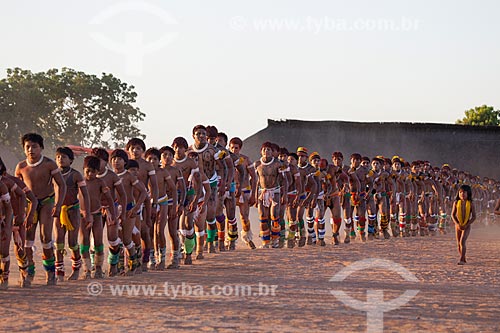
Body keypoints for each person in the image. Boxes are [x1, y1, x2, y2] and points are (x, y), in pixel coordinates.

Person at [15, 133, 67, 285]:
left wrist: (58, 205)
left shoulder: (49, 164)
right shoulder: (21, 167)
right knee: (27, 239)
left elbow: (61, 185)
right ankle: (28, 272)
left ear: (41, 148)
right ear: (24, 149)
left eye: (35, 147)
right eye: (28, 147)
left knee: (45, 236)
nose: (31, 150)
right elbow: (17, 192)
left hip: (47, 202)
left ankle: (50, 272)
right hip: (30, 204)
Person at [54, 147, 92, 281]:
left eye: (64, 157)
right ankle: (59, 272)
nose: (60, 159)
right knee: (58, 241)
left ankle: (76, 269)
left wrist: (87, 213)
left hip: (73, 210)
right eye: (58, 157)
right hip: (58, 211)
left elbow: (85, 195)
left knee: (72, 242)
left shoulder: (75, 175)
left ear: (70, 160)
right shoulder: (53, 174)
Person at [0, 156, 36, 288]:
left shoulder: (12, 182)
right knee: (3, 251)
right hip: (3, 219)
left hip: (16, 219)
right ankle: (4, 278)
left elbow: (31, 199)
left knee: (19, 249)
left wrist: (23, 215)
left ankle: (24, 274)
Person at [110, 149, 147, 274]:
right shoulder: (109, 176)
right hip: (115, 210)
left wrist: (136, 208)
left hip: (129, 210)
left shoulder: (128, 176)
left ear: (125, 162)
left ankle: (134, 263)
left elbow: (143, 192)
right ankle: (118, 267)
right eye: (114, 159)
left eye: (119, 159)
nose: (116, 161)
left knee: (126, 239)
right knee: (117, 241)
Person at [126, 138, 159, 272]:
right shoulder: (123, 164)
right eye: (132, 148)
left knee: (145, 232)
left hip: (144, 202)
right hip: (127, 203)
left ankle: (145, 261)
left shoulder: (147, 166)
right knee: (127, 234)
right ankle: (131, 262)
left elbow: (154, 186)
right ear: (128, 150)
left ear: (143, 151)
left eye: (138, 148)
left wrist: (154, 204)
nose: (135, 151)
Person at [80, 156, 115, 279]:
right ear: (83, 169)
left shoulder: (100, 182)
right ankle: (87, 269)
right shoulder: (80, 182)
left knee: (98, 241)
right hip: (83, 215)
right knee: (84, 241)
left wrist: (114, 213)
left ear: (98, 172)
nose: (90, 174)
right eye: (87, 171)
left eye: (93, 172)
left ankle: (99, 268)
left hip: (97, 215)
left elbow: (109, 198)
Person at [145, 148, 178, 267]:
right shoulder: (144, 172)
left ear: (159, 160)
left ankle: (162, 259)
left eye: (155, 159)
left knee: (159, 231)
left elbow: (174, 189)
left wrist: (174, 206)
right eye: (150, 159)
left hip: (163, 202)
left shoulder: (163, 172)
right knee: (149, 232)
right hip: (148, 203)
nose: (152, 161)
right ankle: (151, 259)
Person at [252, 142, 286, 248]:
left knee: (275, 216)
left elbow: (284, 180)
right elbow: (256, 181)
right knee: (262, 217)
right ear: (261, 151)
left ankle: (275, 240)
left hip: (275, 191)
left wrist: (284, 194)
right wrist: (254, 196)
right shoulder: (257, 164)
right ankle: (265, 242)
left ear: (272, 152)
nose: (266, 152)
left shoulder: (278, 164)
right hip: (262, 192)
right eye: (264, 150)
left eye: (269, 150)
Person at [451, 184, 476, 265]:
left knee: (462, 241)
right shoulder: (456, 203)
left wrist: (467, 224)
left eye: (464, 192)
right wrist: (457, 224)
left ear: (468, 193)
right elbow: (453, 215)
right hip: (458, 225)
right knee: (458, 243)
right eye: (460, 192)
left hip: (467, 225)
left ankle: (461, 259)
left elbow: (474, 217)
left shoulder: (471, 203)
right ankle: (463, 257)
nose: (462, 194)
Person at [0, 178, 13, 288]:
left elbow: (8, 208)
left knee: (3, 252)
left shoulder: (2, 185)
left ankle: (4, 277)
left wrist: (7, 227)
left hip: (1, 222)